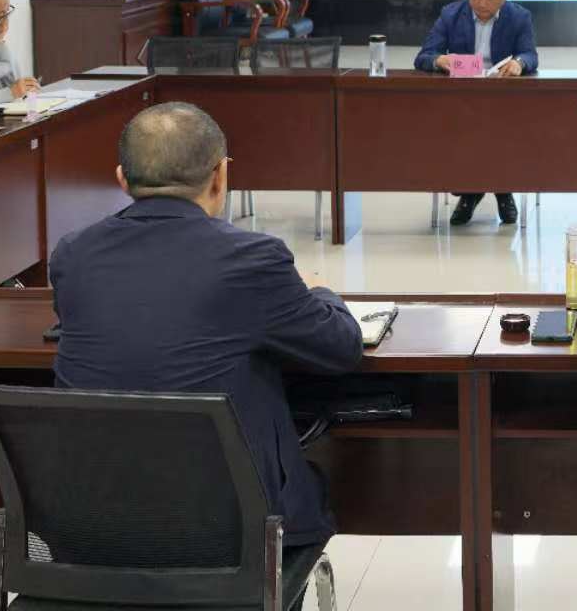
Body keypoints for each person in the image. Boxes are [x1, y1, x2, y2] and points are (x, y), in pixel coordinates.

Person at [50, 102, 363, 555]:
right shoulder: (253, 260)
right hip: (234, 537)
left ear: (122, 179)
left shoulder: (73, 254)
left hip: (93, 532)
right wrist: (320, 291)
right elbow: (341, 348)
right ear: (221, 176)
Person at [414, 0, 540, 226]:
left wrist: (519, 64)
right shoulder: (450, 14)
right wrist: (440, 60)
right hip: (462, 101)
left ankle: (496, 190)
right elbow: (424, 56)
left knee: (499, 128)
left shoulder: (519, 17)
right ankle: (473, 190)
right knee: (464, 128)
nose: (481, 3)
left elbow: (530, 55)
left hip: (503, 101)